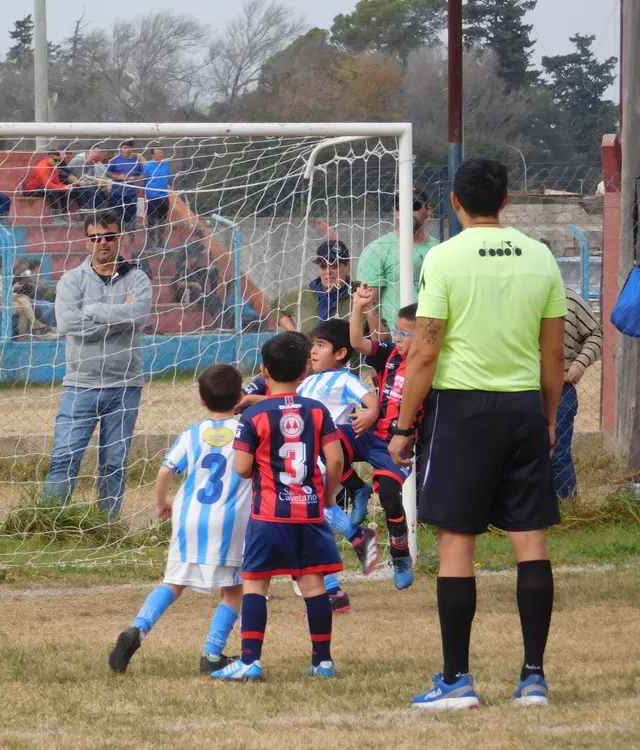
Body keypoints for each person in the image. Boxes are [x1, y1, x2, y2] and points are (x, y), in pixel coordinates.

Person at [387, 158, 566, 710]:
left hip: (462, 412)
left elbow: (425, 349)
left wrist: (401, 426)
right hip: (522, 410)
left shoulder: (443, 257)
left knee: (456, 542)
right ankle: (533, 677)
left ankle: (456, 680)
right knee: (530, 541)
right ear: (507, 201)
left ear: (455, 204)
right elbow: (554, 352)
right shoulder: (540, 256)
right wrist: (550, 417)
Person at [211, 332, 344, 681]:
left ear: (263, 371)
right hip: (309, 513)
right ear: (305, 371)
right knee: (314, 585)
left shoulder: (254, 416)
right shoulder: (317, 411)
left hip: (269, 514)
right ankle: (322, 662)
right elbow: (334, 460)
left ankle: (251, 660)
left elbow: (241, 468)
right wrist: (328, 496)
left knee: (255, 584)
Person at [108, 364, 251, 675]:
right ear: (240, 397)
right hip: (228, 520)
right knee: (234, 590)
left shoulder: (192, 433)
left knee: (173, 582)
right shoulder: (246, 429)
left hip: (188, 517)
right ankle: (212, 654)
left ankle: (137, 629)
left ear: (200, 400)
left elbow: (164, 471)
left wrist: (161, 503)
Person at [239, 322, 381, 613]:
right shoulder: (306, 384)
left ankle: (333, 583)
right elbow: (285, 404)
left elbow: (367, 400)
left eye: (320, 346)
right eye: (312, 346)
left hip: (311, 460)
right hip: (304, 459)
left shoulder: (342, 379)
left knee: (306, 519)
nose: (314, 352)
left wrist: (371, 413)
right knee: (307, 522)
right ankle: (336, 581)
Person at [42, 212, 153, 517]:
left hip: (125, 385)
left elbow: (139, 315)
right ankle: (50, 522)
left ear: (121, 238)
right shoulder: (72, 280)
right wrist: (119, 318)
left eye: (109, 236)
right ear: (87, 240)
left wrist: (94, 310)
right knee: (65, 456)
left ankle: (106, 524)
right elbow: (67, 323)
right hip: (81, 384)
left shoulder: (137, 277)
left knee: (114, 461)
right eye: (95, 237)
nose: (102, 243)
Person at [347, 290, 418, 590]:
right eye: (397, 331)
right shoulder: (389, 354)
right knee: (328, 447)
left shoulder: (431, 368)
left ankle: (400, 554)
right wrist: (358, 308)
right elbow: (356, 342)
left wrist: (410, 436)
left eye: (406, 333)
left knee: (389, 498)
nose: (398, 338)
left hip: (396, 446)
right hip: (370, 435)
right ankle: (357, 489)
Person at [357, 188, 439, 334]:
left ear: (427, 210)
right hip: (397, 343)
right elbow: (368, 304)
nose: (407, 212)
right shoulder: (377, 249)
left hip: (434, 339)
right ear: (395, 212)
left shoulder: (439, 249)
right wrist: (383, 338)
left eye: (414, 205)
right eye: (401, 207)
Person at [555, 288, 602, 499]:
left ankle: (566, 512)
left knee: (558, 455)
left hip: (560, 390)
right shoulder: (512, 298)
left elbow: (595, 334)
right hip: (516, 390)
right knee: (519, 455)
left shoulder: (570, 300)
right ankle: (520, 515)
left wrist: (580, 364)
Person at [272, 240, 355, 334]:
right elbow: (274, 306)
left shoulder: (357, 293)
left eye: (334, 266)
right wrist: (295, 334)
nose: (328, 272)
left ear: (348, 267)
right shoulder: (305, 293)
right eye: (323, 266)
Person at [171, 251, 224, 326]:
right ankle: (218, 324)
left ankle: (218, 322)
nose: (196, 260)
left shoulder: (192, 269)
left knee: (216, 299)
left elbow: (210, 269)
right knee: (213, 300)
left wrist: (210, 258)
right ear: (189, 259)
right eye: (194, 258)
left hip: (198, 294)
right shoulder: (183, 269)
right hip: (191, 295)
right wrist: (194, 284)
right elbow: (180, 283)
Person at [23, 151, 73, 224]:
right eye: (55, 160)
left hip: (43, 187)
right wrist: (62, 187)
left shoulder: (54, 167)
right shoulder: (42, 167)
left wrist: (66, 187)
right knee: (53, 190)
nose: (57, 162)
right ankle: (55, 217)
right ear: (49, 157)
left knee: (64, 191)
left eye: (59, 161)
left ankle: (64, 214)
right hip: (32, 190)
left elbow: (57, 183)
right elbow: (48, 184)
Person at [106, 140, 143, 229]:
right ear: (121, 149)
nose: (127, 150)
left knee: (130, 219)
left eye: (129, 148)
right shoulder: (115, 160)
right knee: (115, 218)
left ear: (132, 149)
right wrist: (117, 176)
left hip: (131, 194)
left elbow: (143, 174)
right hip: (117, 194)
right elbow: (107, 173)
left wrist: (136, 178)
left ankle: (129, 238)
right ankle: (115, 236)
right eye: (125, 148)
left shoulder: (136, 160)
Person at [142, 147, 171, 249]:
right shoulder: (148, 166)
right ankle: (151, 243)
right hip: (152, 196)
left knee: (163, 221)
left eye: (161, 153)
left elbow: (167, 178)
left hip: (164, 196)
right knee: (152, 221)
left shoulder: (166, 165)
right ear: (153, 155)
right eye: (157, 153)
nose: (160, 155)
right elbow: (143, 180)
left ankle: (161, 242)